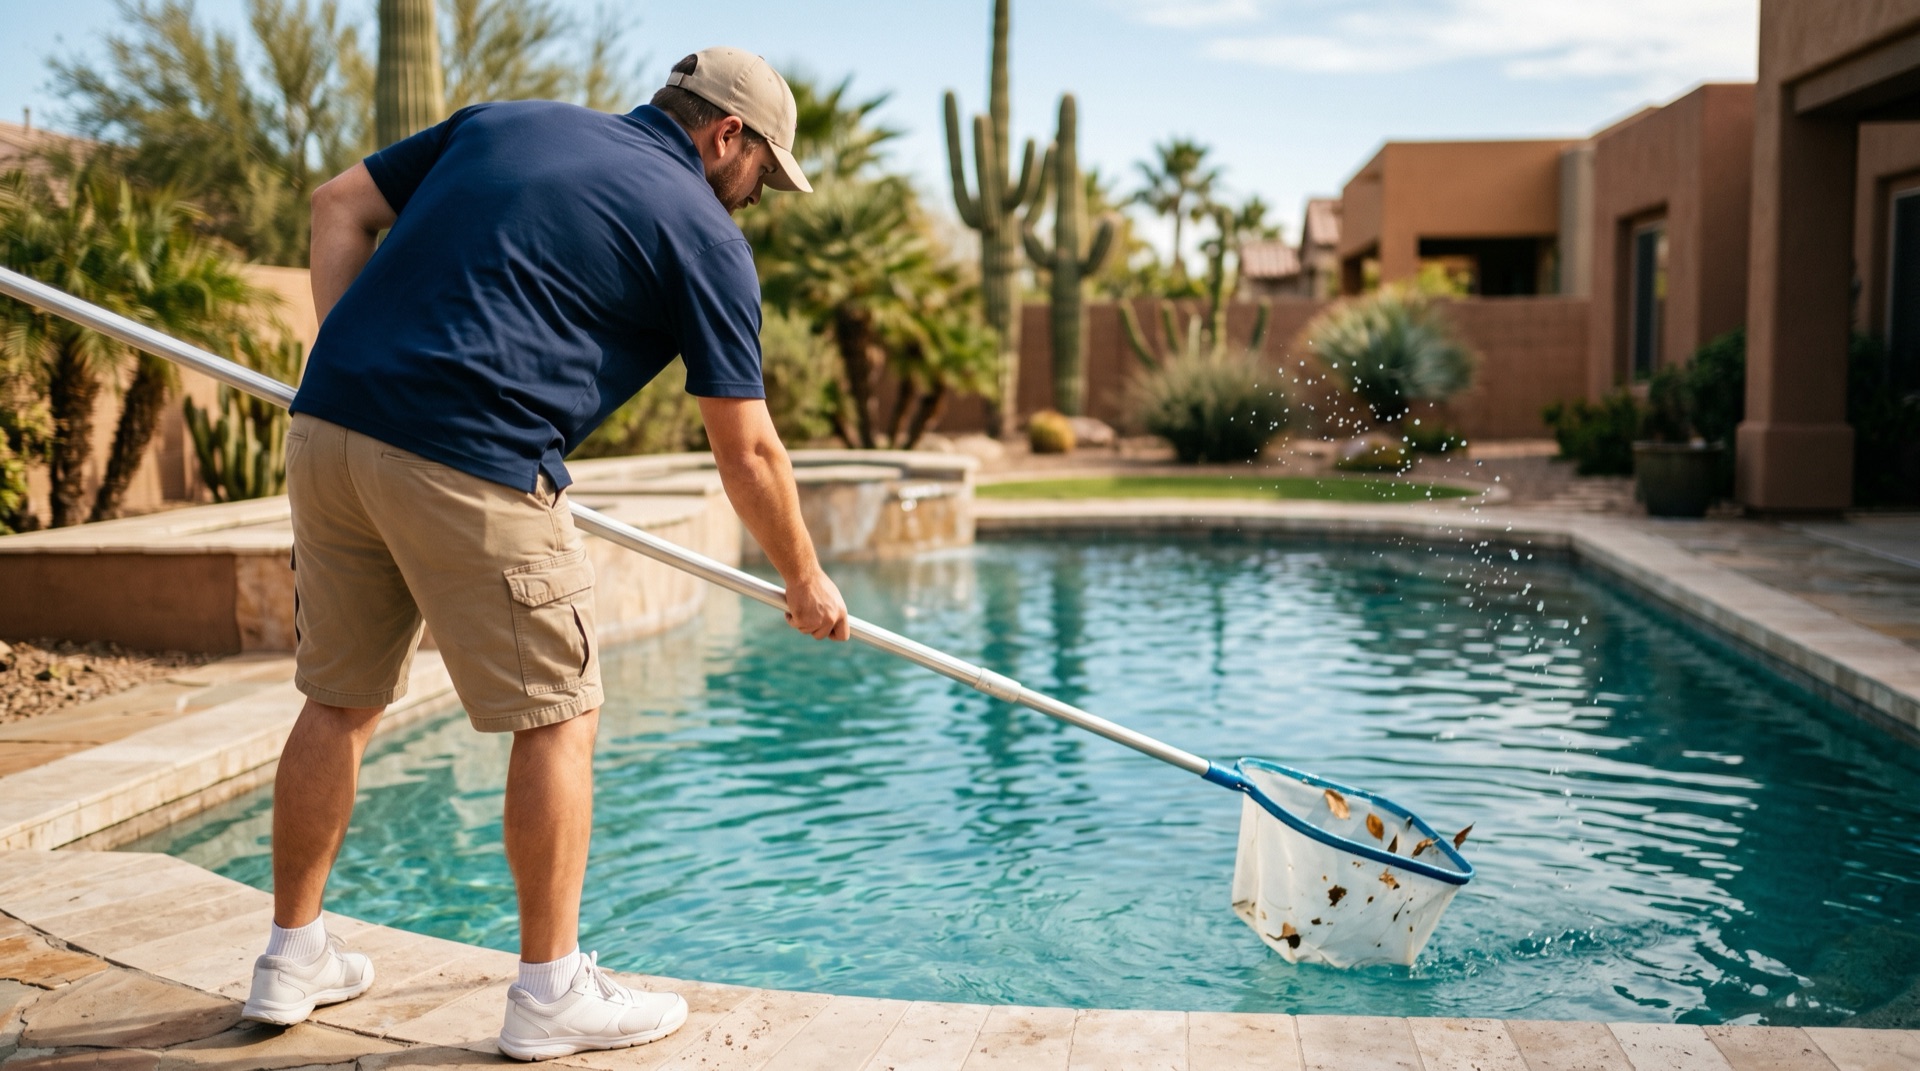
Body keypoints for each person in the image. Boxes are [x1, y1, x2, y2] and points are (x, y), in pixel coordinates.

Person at [238, 48, 850, 1062]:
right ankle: (550, 992)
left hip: (329, 434)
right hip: (472, 459)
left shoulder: (505, 122)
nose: (761, 198)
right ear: (726, 135)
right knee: (561, 715)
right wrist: (804, 576)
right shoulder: (702, 232)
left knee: (338, 700)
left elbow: (336, 203)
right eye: (763, 173)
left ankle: (290, 956)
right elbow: (746, 449)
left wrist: (359, 365)